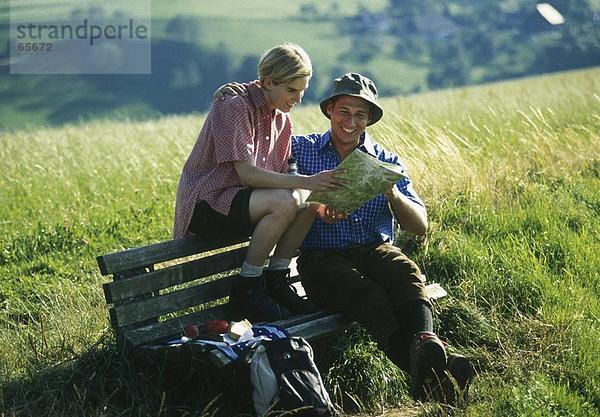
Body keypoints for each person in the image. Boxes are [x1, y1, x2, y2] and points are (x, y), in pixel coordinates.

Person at [290, 73, 472, 404]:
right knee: (368, 293)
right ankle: (440, 372)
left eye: (360, 114)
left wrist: (392, 193)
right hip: (321, 260)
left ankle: (427, 345)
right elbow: (278, 178)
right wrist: (313, 201)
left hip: (374, 250)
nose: (351, 121)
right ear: (330, 110)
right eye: (344, 111)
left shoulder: (386, 161)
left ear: (370, 119)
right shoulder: (302, 149)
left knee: (405, 272)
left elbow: (419, 226)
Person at [173, 43, 344, 322]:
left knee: (308, 203)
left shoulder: (283, 121)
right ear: (266, 82)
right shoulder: (234, 106)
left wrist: (310, 189)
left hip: (246, 201)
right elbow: (247, 174)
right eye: (291, 90)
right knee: (287, 200)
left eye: (302, 91)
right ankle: (248, 287)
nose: (297, 99)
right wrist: (306, 181)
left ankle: (277, 280)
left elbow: (281, 176)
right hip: (209, 203)